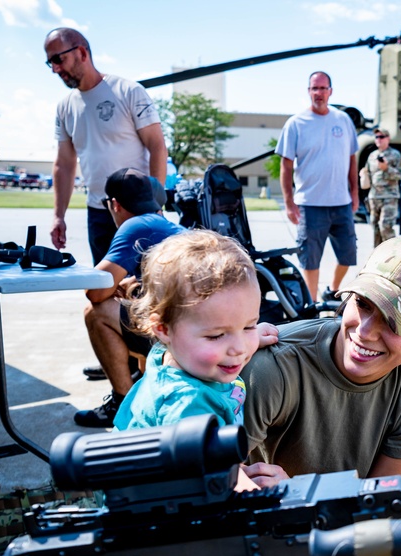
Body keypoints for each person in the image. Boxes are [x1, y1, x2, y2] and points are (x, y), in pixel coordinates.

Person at [240, 237, 401, 485]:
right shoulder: (272, 367)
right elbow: (209, 484)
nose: (365, 332)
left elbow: (381, 501)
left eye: (394, 321)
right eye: (362, 303)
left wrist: (298, 492)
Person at [113, 229, 278, 431]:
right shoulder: (188, 408)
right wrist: (244, 465)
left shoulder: (170, 351)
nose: (239, 349)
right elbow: (197, 464)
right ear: (163, 329)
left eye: (248, 326)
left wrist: (246, 335)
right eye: (216, 335)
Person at [44, 27, 168, 266]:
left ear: (81, 52)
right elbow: (64, 164)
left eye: (59, 59)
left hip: (139, 212)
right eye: (49, 62)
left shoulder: (129, 91)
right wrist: (58, 216)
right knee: (105, 291)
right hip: (99, 212)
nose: (54, 69)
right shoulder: (65, 107)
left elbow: (157, 146)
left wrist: (156, 206)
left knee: (146, 292)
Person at [74, 168, 183, 428]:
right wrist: (130, 285)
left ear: (115, 204)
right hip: (195, 324)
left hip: (179, 333)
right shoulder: (164, 223)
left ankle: (122, 403)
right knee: (133, 308)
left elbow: (96, 291)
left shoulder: (135, 225)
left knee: (96, 313)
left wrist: (119, 287)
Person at [276, 71, 359, 303]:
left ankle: (332, 289)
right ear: (308, 91)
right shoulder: (295, 123)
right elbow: (286, 166)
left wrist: (354, 192)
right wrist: (288, 202)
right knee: (310, 258)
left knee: (348, 254)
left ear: (331, 91)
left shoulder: (343, 121)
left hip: (341, 202)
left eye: (323, 88)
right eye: (314, 88)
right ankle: (312, 304)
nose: (319, 93)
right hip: (309, 204)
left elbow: (352, 159)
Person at [364, 127, 401, 247]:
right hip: (374, 196)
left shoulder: (395, 155)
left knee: (385, 226)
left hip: (389, 196)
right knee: (375, 226)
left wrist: (386, 168)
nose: (379, 139)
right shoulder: (372, 156)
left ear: (388, 139)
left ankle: (392, 253)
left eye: (382, 137)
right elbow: (368, 172)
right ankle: (378, 256)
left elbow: (400, 175)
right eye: (377, 137)